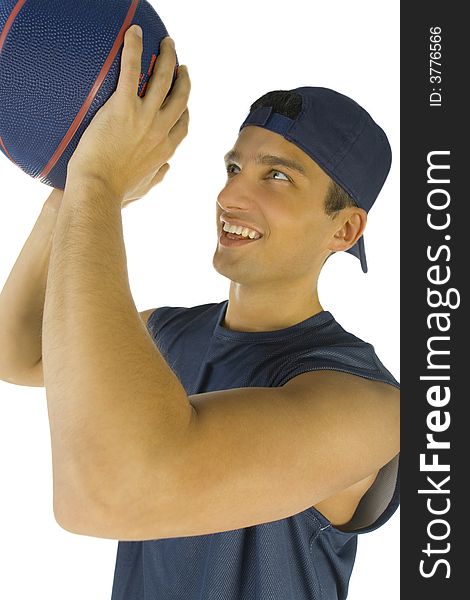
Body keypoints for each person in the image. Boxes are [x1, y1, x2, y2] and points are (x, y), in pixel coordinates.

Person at [0, 27, 399, 600]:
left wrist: (96, 183)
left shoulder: (367, 406)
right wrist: (74, 178)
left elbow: (107, 495)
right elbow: (18, 351)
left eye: (278, 176)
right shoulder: (167, 333)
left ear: (345, 228)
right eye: (234, 168)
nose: (231, 197)